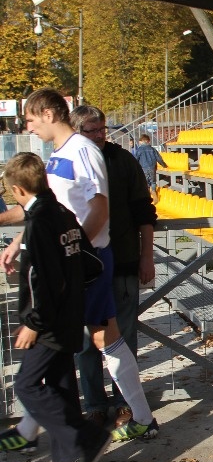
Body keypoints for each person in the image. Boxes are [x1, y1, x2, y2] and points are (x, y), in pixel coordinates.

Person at [0, 89, 158, 452]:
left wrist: (72, 256)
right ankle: (141, 419)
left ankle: (41, 432)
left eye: (29, 120)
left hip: (85, 267)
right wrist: (17, 241)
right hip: (79, 265)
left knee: (58, 339)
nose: (28, 127)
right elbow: (47, 210)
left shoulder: (82, 152)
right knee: (94, 340)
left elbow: (99, 209)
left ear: (47, 114)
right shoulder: (60, 154)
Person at [3, 152, 111, 462]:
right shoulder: (62, 212)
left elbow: (41, 278)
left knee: (27, 385)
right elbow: (86, 261)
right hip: (69, 312)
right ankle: (69, 457)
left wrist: (33, 323)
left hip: (48, 320)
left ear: (20, 190)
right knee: (61, 383)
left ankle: (87, 438)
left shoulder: (39, 224)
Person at [70, 105, 158, 429]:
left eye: (101, 129)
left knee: (123, 337)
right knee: (84, 342)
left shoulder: (123, 161)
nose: (98, 136)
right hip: (79, 268)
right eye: (90, 131)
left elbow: (144, 213)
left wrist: (146, 256)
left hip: (121, 263)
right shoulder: (68, 162)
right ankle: (94, 404)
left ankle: (125, 404)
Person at [134, 133, 167, 203]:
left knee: (145, 183)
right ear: (148, 141)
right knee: (153, 182)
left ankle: (147, 198)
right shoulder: (152, 149)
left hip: (143, 169)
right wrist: (164, 165)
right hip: (152, 168)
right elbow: (159, 158)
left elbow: (135, 160)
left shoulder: (139, 150)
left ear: (141, 142)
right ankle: (154, 191)